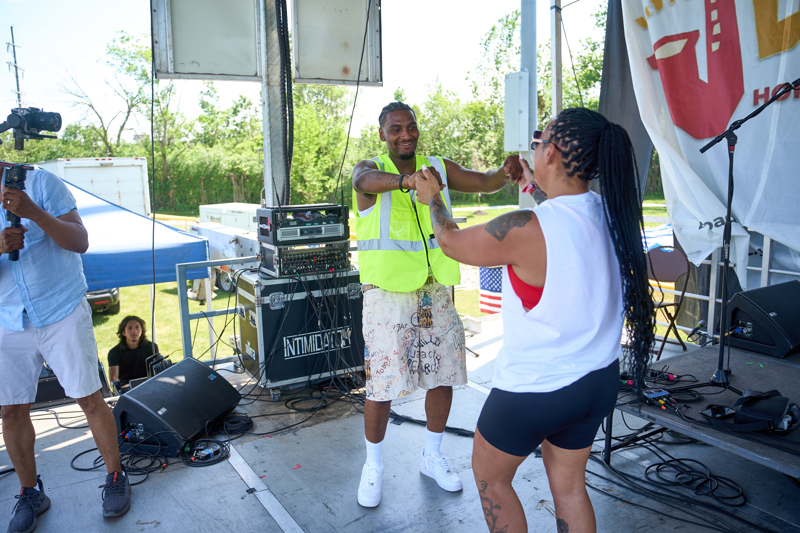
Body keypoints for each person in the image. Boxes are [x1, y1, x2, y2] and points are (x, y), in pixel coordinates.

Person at [415, 108, 655, 533]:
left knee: (492, 479)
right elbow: (565, 220)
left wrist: (434, 196)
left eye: (538, 141)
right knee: (570, 488)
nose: (534, 148)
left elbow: (450, 241)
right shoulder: (609, 210)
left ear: (553, 153)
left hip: (536, 390)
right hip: (597, 381)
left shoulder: (526, 227)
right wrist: (531, 184)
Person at [351, 101, 524, 507]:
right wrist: (408, 182)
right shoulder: (371, 169)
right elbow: (363, 180)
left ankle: (432, 455)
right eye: (395, 129)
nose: (405, 134)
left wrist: (505, 171)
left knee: (442, 375)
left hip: (435, 291)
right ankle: (373, 465)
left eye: (410, 127)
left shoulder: (438, 167)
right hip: (386, 294)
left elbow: (485, 182)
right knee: (381, 383)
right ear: (382, 134)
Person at [0, 166, 132, 533]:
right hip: (8, 318)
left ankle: (116, 477)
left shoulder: (41, 182)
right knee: (10, 411)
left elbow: (80, 241)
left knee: (89, 397)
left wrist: (33, 212)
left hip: (61, 308)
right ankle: (30, 493)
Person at [108, 315, 160, 388]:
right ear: (123, 332)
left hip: (149, 386)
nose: (134, 331)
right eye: (130, 328)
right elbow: (114, 381)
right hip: (127, 389)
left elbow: (158, 372)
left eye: (137, 327)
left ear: (142, 330)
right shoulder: (114, 352)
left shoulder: (151, 347)